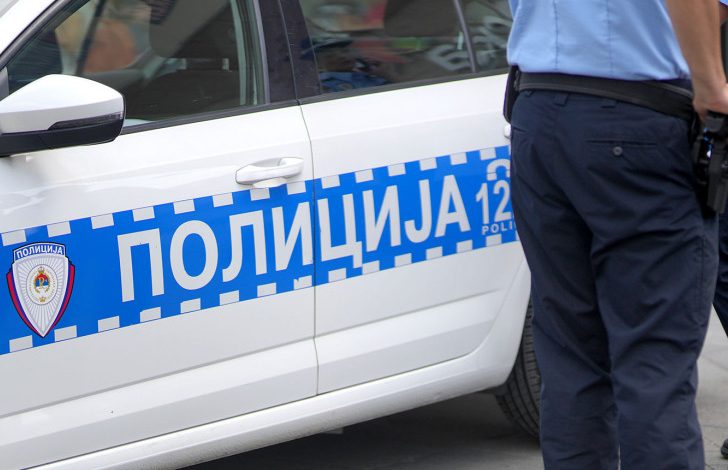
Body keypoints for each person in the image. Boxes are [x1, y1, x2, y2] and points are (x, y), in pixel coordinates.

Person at [506, 1, 728, 469]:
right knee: (653, 356)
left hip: (539, 114)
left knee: (569, 352)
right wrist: (713, 89)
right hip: (637, 116)